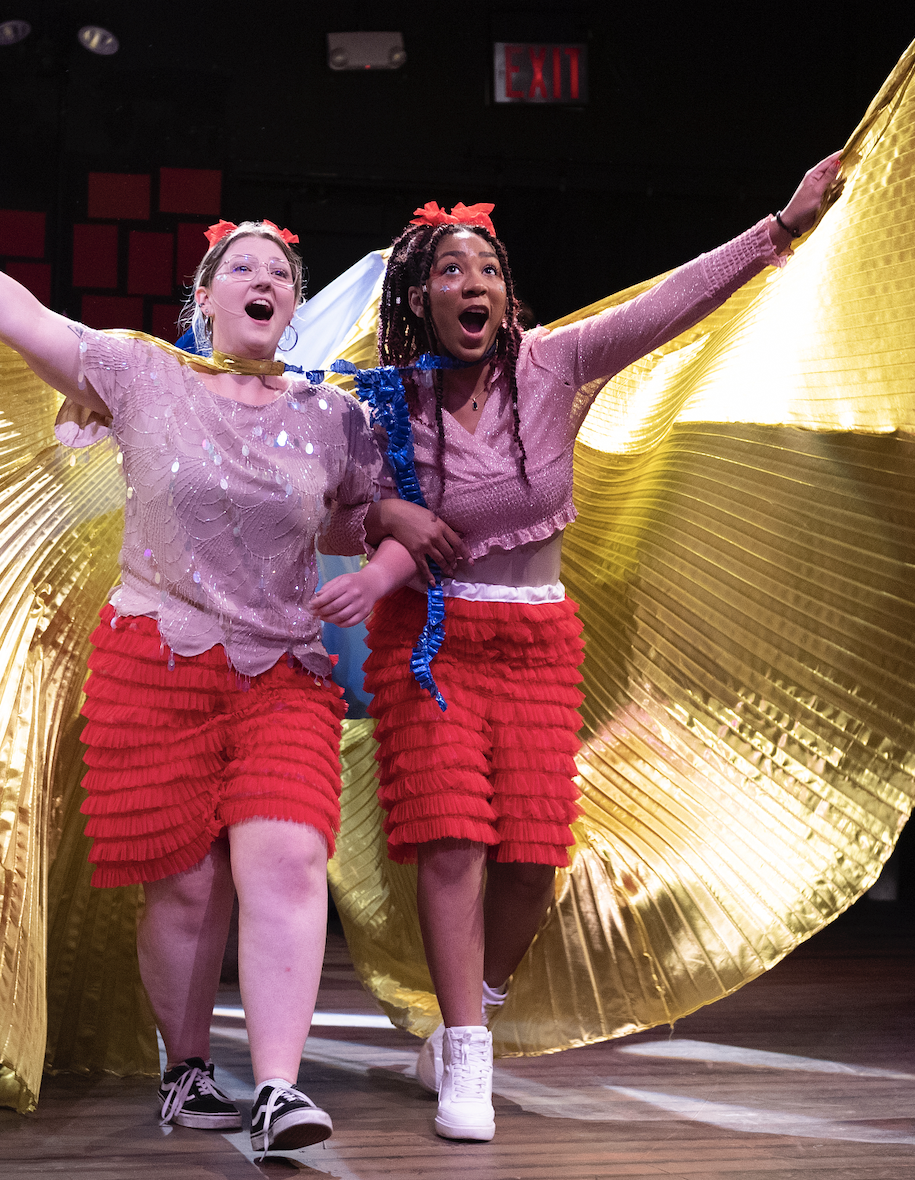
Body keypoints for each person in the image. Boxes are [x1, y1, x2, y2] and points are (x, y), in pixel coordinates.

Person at [0, 190, 418, 1152]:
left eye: (280, 273)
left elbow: (384, 518)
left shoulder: (334, 416)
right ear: (205, 298)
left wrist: (379, 572)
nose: (263, 279)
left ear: (293, 307)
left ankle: (278, 1090)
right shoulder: (143, 371)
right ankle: (187, 1069)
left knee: (287, 860)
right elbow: (21, 317)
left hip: (284, 675)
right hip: (157, 664)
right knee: (188, 889)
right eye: (242, 266)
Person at [361, 155, 843, 1141]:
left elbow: (671, 302)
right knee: (451, 841)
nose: (474, 284)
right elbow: (324, 506)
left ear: (506, 294)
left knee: (531, 859)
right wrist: (386, 514)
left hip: (535, 641)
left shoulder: (553, 364)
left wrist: (783, 225)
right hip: (433, 638)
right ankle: (466, 1059)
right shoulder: (387, 403)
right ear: (419, 298)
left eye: (488, 269)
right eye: (451, 270)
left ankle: (471, 1012)